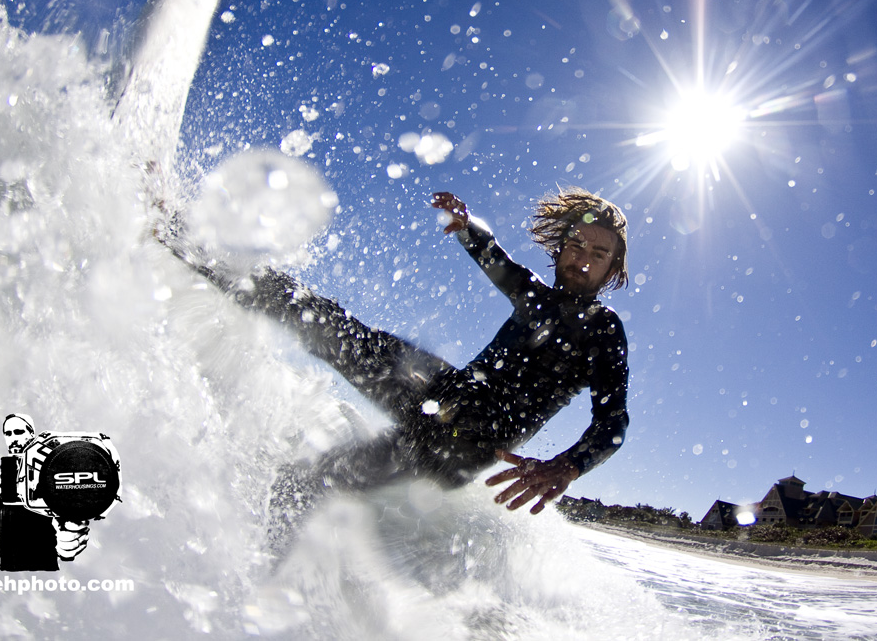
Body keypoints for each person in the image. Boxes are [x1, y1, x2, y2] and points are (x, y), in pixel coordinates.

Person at [171, 187, 630, 550]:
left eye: (599, 254)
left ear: (612, 270)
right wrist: (467, 225)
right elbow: (494, 256)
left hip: (470, 443)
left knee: (320, 482)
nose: (583, 258)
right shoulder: (533, 294)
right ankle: (189, 243)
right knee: (327, 324)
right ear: (561, 246)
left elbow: (613, 422)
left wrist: (564, 467)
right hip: (443, 394)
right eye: (576, 243)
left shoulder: (603, 331)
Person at [0, 413, 90, 571]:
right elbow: (2, 516)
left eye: (18, 432)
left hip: (40, 565)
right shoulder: (6, 471)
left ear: (31, 434)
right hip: (9, 567)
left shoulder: (51, 467)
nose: (13, 438)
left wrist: (68, 539)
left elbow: (70, 513)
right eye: (8, 434)